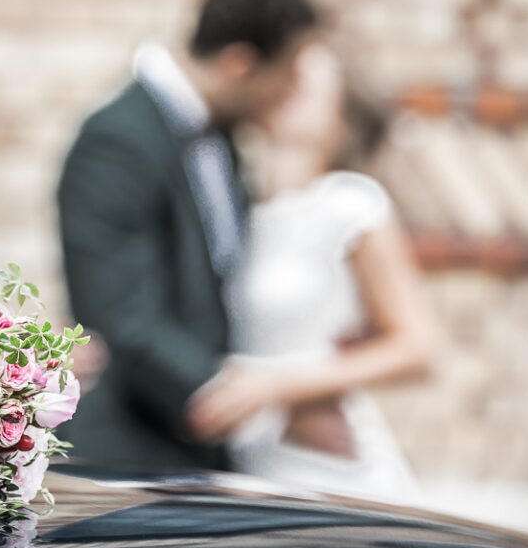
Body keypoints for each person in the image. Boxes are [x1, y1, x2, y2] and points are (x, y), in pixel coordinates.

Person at [56, 0, 320, 471]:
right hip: (135, 456)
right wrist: (248, 404)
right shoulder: (117, 139)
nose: (290, 91)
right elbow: (125, 317)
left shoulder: (224, 140)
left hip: (209, 452)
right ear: (241, 63)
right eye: (288, 72)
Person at [185, 43, 438, 501]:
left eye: (304, 84)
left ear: (340, 119)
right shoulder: (236, 207)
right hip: (250, 460)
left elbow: (417, 348)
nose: (286, 87)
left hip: (329, 467)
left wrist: (275, 385)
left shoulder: (350, 203)